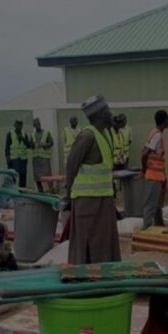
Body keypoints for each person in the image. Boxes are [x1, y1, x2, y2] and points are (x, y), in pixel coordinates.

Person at [64, 95, 121, 265]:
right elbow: (71, 167)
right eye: (107, 111)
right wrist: (68, 197)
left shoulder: (106, 135)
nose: (111, 114)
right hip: (87, 203)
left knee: (105, 243)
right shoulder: (87, 137)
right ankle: (85, 281)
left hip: (104, 200)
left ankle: (105, 278)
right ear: (99, 115)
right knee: (88, 244)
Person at [141, 110, 168, 229]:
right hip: (153, 176)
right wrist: (144, 167)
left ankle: (159, 225)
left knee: (158, 204)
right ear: (166, 121)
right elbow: (144, 153)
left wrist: (164, 177)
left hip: (158, 176)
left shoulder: (156, 133)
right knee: (151, 205)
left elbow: (159, 160)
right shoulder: (157, 135)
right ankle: (146, 229)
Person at [5, 120, 31, 188]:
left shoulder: (24, 134)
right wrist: (7, 158)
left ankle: (22, 192)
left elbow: (28, 145)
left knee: (23, 176)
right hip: (13, 159)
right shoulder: (10, 134)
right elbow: (7, 147)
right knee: (12, 176)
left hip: (23, 159)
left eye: (21, 125)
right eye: (18, 124)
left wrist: (23, 139)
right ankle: (12, 191)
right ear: (15, 125)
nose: (19, 126)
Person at [31, 118, 54, 193]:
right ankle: (40, 192)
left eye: (39, 124)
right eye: (36, 124)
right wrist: (33, 145)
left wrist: (45, 145)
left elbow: (51, 143)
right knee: (37, 177)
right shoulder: (32, 134)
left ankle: (51, 190)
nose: (38, 125)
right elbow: (30, 145)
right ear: (34, 126)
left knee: (48, 176)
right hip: (36, 159)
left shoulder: (46, 132)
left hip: (45, 158)